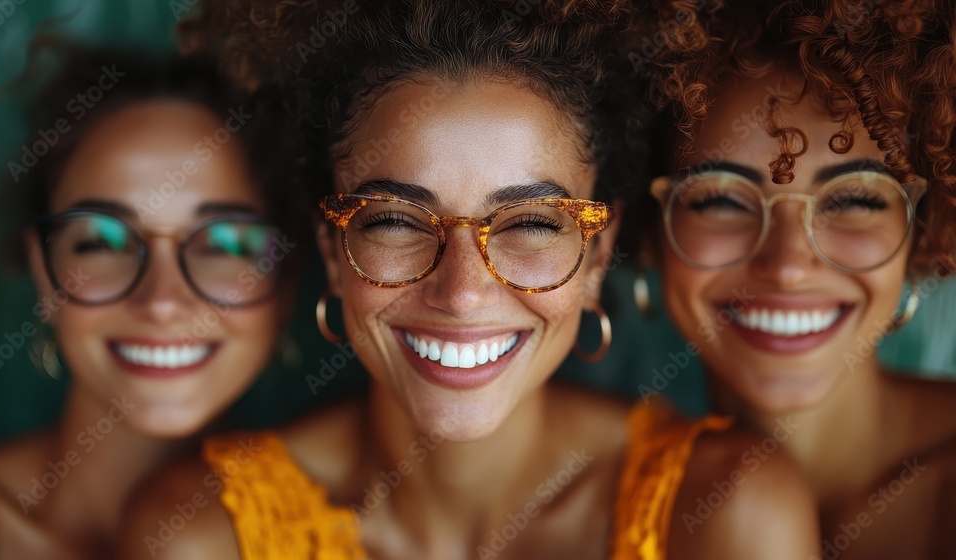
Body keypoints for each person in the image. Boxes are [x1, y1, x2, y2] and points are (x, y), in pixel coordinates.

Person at [122, 1, 819, 558]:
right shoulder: (203, 535)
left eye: (531, 224)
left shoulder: (730, 513)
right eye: (395, 219)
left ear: (599, 253)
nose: (461, 292)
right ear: (333, 252)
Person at [625, 0, 956, 558]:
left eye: (852, 198)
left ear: (918, 229)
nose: (786, 263)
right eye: (723, 200)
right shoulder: (599, 485)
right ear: (649, 232)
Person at [0, 43, 296, 559]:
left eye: (224, 244)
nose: (161, 300)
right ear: (43, 270)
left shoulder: (330, 534)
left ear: (287, 280)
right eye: (103, 242)